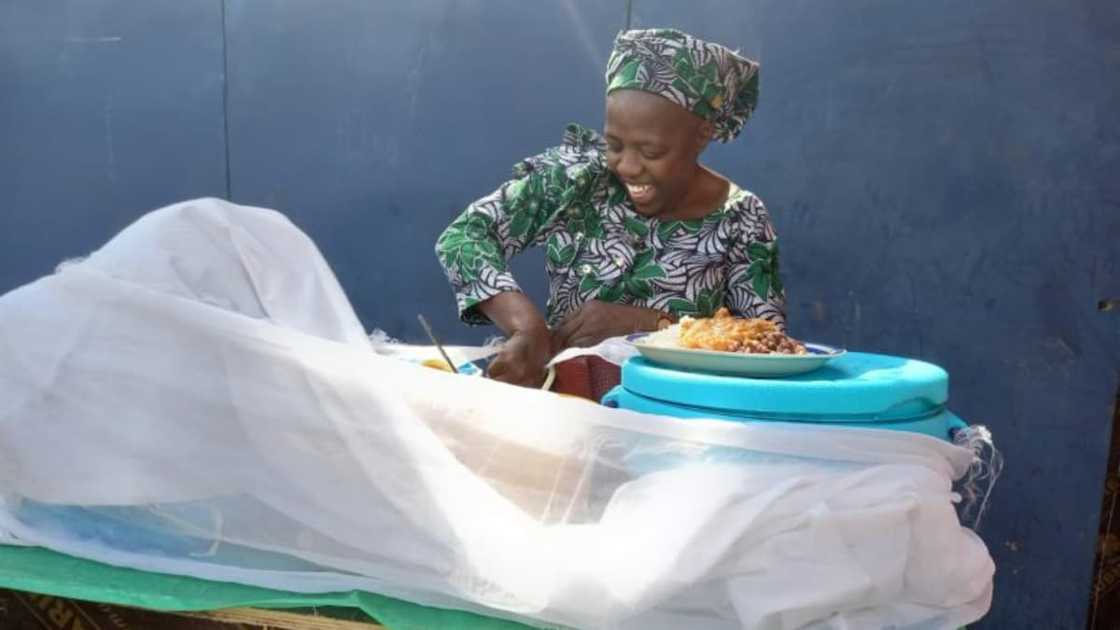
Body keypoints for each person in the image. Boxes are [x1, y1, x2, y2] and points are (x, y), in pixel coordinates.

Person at [436, 28, 786, 388]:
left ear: (702, 135)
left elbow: (767, 344)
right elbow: (466, 235)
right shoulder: (577, 181)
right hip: (568, 413)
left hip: (678, 424)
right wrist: (527, 326)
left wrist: (653, 325)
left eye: (651, 152)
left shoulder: (742, 218)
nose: (628, 167)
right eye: (615, 145)